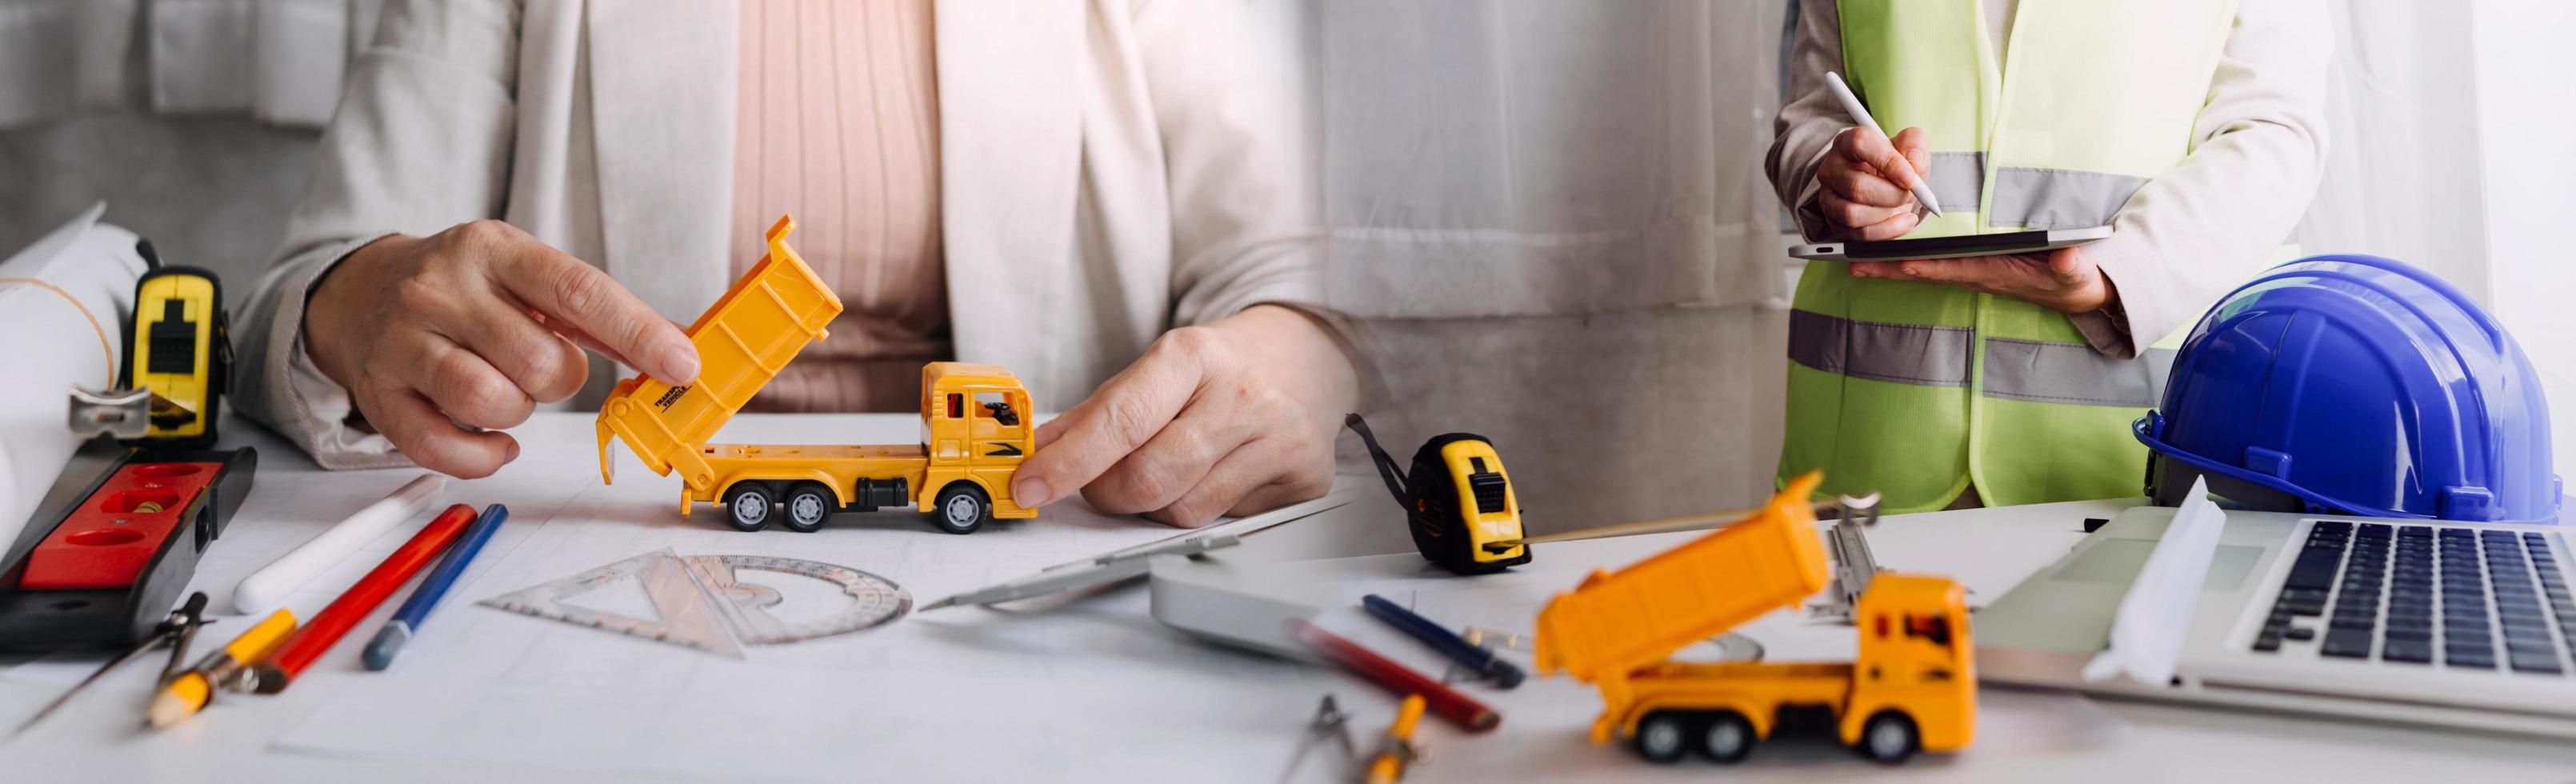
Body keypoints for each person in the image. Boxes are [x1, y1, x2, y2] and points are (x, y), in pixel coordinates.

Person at [233, 0, 1352, 528]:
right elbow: (305, 292)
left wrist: (1294, 356)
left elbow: (1295, 271)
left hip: (1043, 552)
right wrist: (357, 306)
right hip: (592, 537)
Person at [1766, 0, 2329, 512]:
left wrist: (2122, 273)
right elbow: (1813, 112)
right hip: (1873, 450)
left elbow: (2272, 134)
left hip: (2136, 455)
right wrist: (1833, 179)